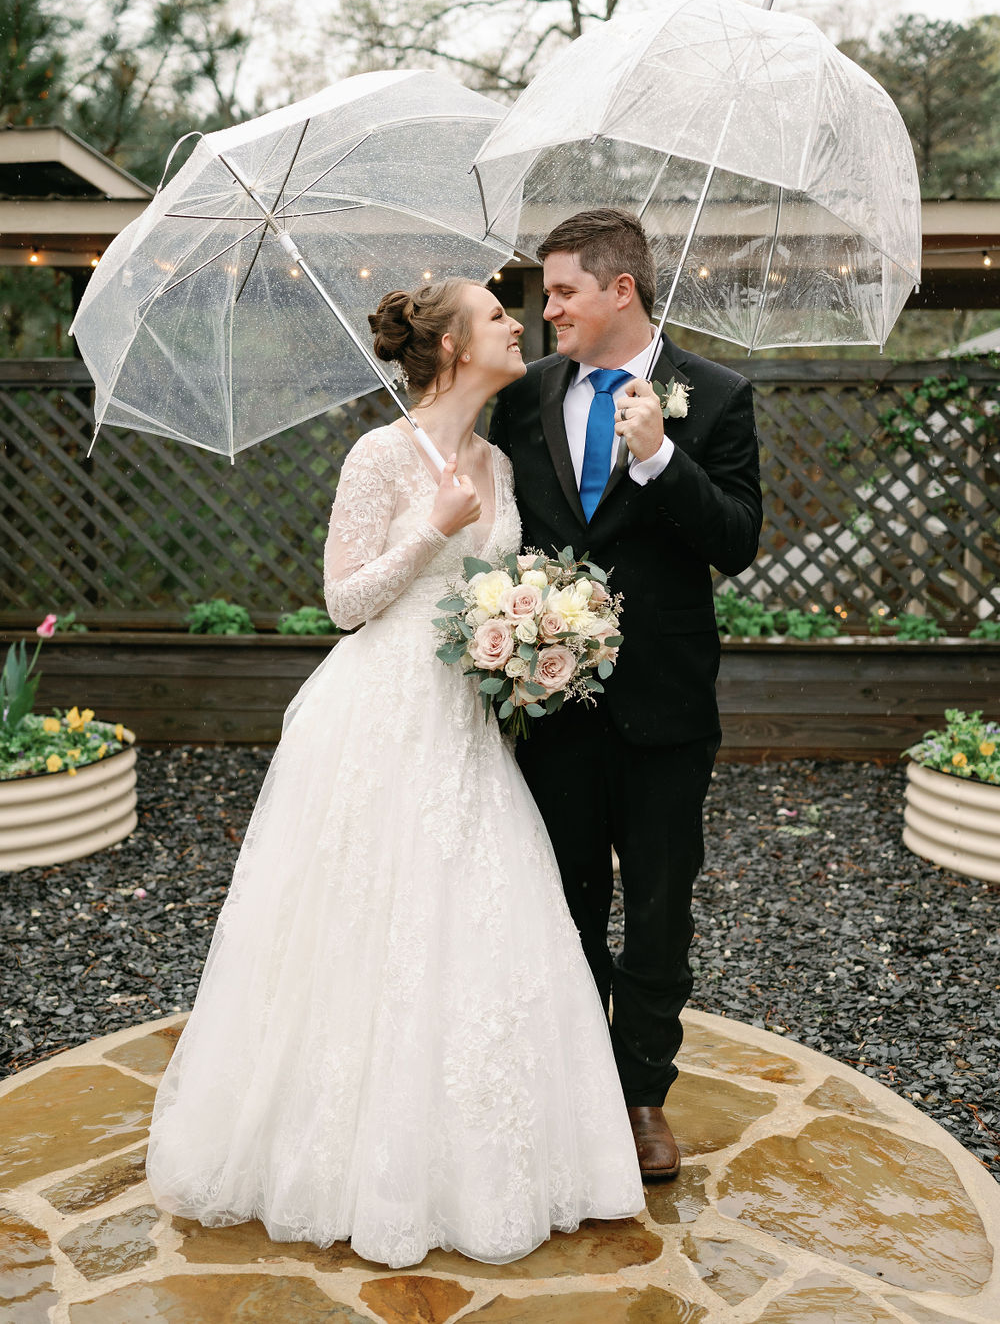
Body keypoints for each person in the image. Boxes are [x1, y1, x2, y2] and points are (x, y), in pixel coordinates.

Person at [146, 276, 643, 1269]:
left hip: (469, 722)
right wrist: (430, 529)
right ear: (455, 346)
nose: (520, 324)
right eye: (499, 316)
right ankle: (340, 1160)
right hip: (379, 714)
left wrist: (537, 629)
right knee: (369, 919)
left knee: (480, 917)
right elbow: (342, 601)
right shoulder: (378, 455)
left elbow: (495, 588)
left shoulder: (499, 460)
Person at [489, 209, 763, 1181]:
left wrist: (659, 459)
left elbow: (735, 539)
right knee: (561, 903)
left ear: (620, 290)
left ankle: (641, 1096)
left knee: (656, 911)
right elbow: (501, 529)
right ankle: (571, 1086)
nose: (545, 308)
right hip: (549, 706)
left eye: (561, 290)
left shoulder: (716, 397)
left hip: (663, 708)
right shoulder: (523, 399)